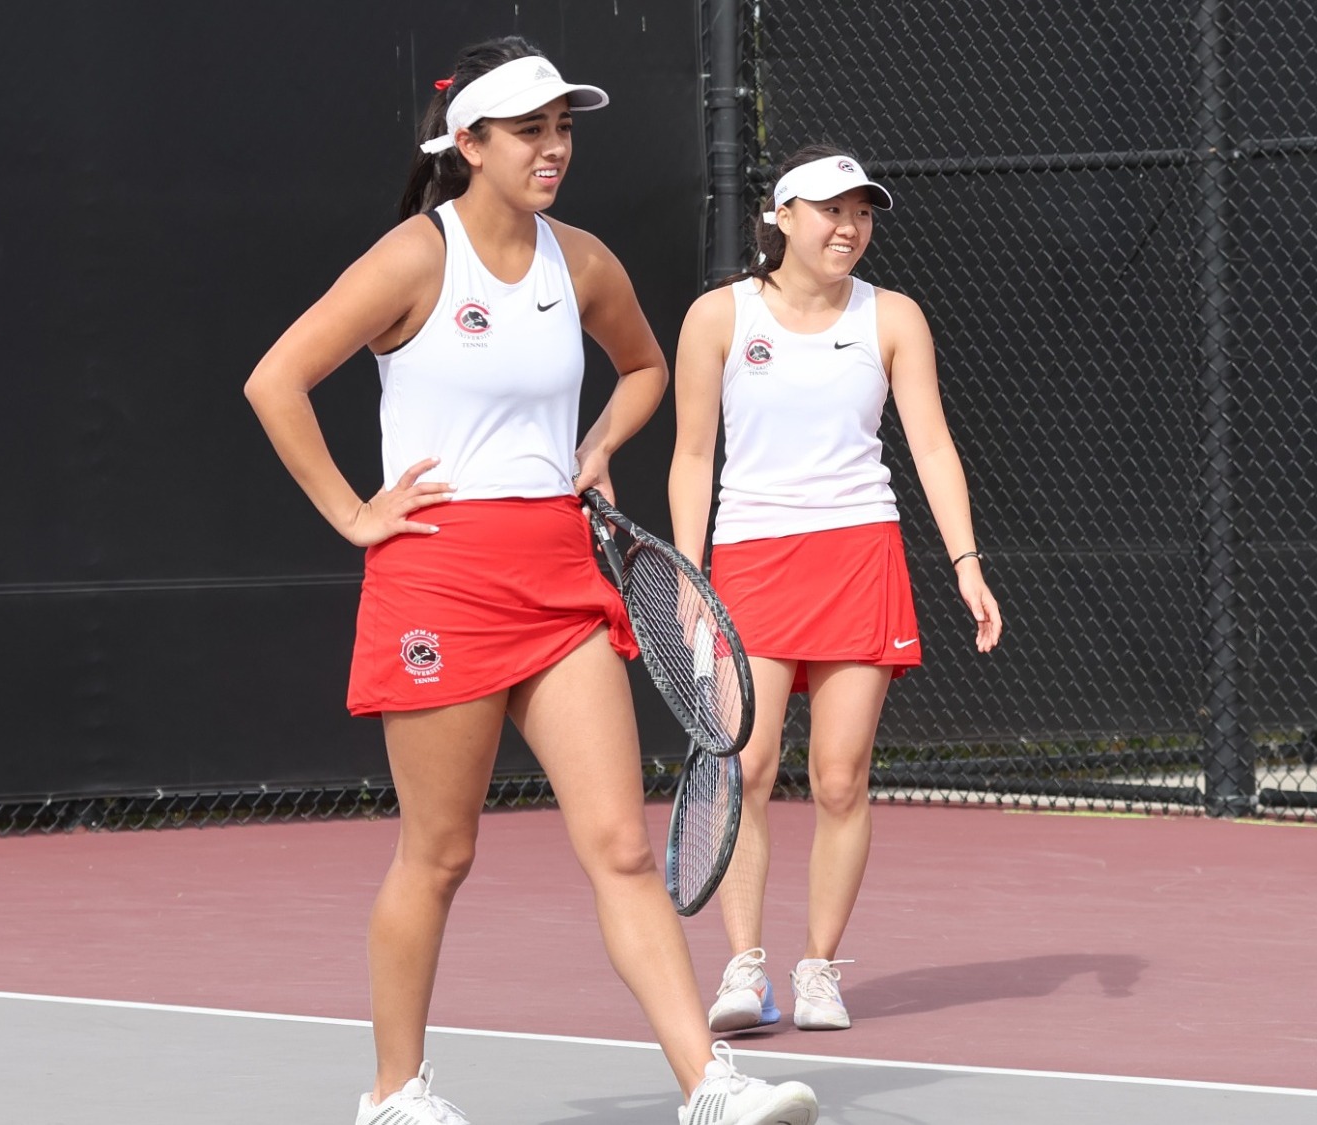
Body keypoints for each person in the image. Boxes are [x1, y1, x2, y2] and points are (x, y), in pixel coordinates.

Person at [244, 36, 819, 1125]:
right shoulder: (415, 258)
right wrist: (353, 514)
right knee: (440, 853)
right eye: (529, 131)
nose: (553, 150)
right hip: (439, 583)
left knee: (617, 844)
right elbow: (275, 379)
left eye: (564, 129)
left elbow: (645, 366)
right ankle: (394, 1093)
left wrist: (597, 443)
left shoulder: (583, 262)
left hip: (558, 577)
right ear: (467, 144)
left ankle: (708, 1085)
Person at [669, 145, 1004, 1034]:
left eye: (861, 212)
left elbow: (931, 445)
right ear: (781, 217)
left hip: (860, 555)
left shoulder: (892, 317)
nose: (849, 227)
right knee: (745, 764)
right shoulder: (718, 318)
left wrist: (966, 562)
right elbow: (694, 454)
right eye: (830, 210)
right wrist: (687, 572)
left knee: (841, 778)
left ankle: (818, 967)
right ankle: (745, 969)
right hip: (749, 560)